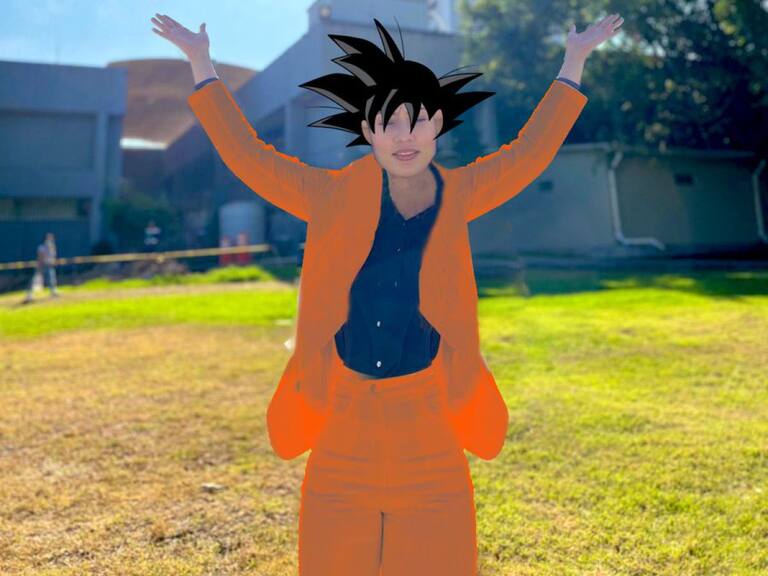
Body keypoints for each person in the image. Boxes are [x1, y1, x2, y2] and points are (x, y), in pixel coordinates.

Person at [152, 11, 622, 575]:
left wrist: (573, 62)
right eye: (389, 123)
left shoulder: (460, 192)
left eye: (417, 121)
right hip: (341, 432)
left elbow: (529, 153)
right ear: (368, 132)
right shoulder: (326, 195)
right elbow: (248, 155)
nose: (404, 136)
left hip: (430, 432)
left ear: (437, 126)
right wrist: (201, 64)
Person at [24, 232, 59, 302]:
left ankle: (53, 291)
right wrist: (39, 265)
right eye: (49, 238)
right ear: (46, 239)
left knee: (51, 278)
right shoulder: (42, 247)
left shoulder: (52, 247)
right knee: (35, 280)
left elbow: (53, 256)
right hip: (42, 265)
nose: (50, 239)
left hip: (49, 265)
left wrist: (53, 262)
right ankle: (29, 294)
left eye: (51, 238)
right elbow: (40, 257)